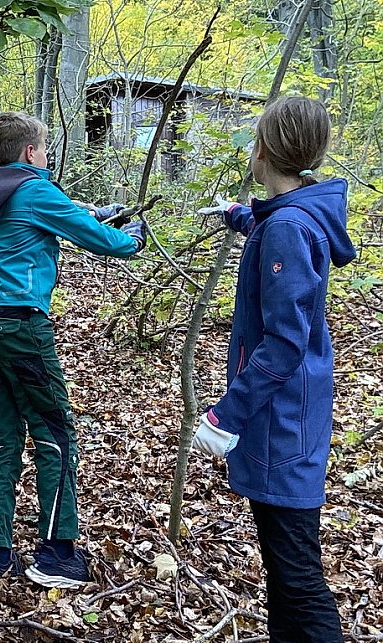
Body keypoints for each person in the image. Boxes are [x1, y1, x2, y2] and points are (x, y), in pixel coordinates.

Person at [193, 96, 354, 642]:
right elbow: (279, 226)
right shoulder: (294, 217)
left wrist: (225, 416)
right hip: (286, 415)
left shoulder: (289, 226)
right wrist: (235, 216)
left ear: (261, 151)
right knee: (285, 579)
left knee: (298, 580)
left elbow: (284, 342)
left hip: (282, 422)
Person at [0, 112, 146, 588]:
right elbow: (101, 240)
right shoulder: (36, 189)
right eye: (43, 150)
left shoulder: (1, 194)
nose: (46, 157)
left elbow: (66, 218)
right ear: (30, 153)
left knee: (2, 440)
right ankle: (56, 554)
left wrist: (94, 214)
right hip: (21, 326)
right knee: (55, 434)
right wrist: (134, 239)